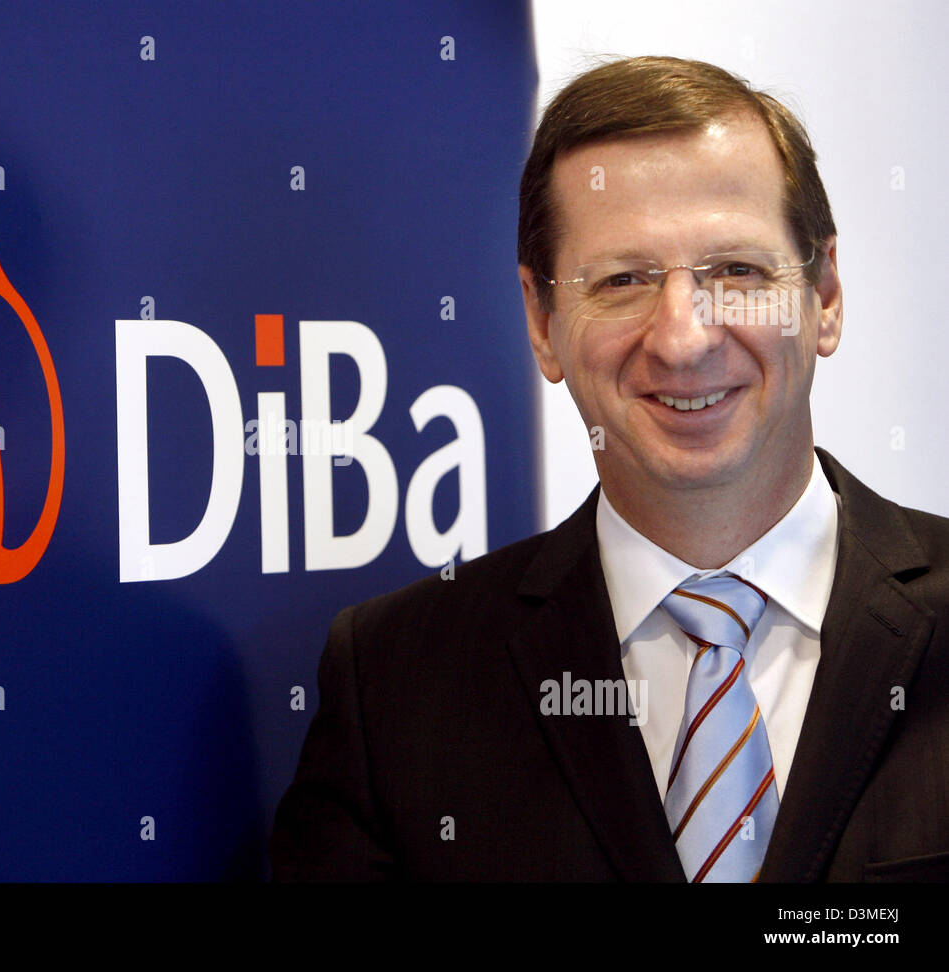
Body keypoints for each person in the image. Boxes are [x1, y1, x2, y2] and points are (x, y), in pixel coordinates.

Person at [269, 56, 949, 882]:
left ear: (826, 295)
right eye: (622, 281)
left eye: (736, 270)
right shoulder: (392, 684)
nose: (683, 338)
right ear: (544, 322)